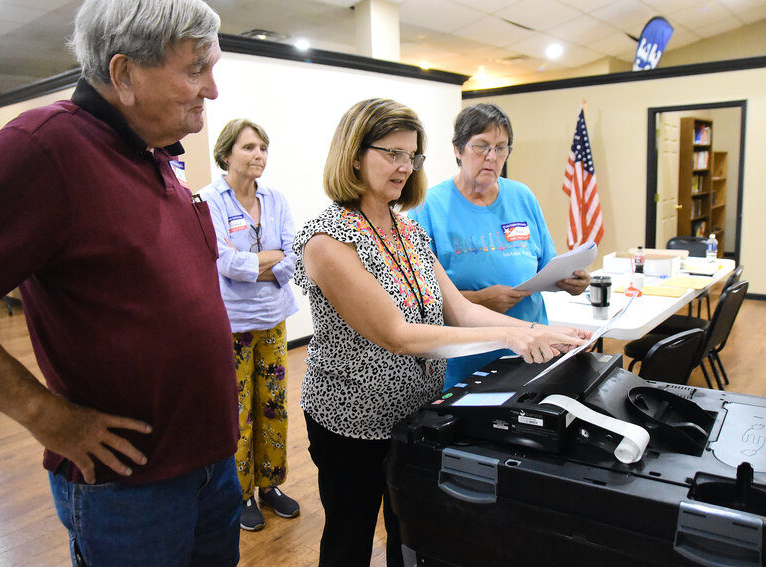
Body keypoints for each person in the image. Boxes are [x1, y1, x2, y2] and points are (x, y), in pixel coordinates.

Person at [0, 1, 242, 565]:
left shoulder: (150, 153)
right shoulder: (44, 147)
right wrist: (45, 416)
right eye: (196, 69)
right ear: (124, 74)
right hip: (129, 488)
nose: (213, 90)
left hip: (209, 465)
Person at [292, 98, 592, 567]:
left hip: (417, 410)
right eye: (391, 153)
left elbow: (462, 312)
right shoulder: (328, 238)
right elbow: (397, 334)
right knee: (349, 538)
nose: (404, 167)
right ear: (354, 154)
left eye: (411, 156)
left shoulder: (407, 229)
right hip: (352, 421)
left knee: (409, 527)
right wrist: (514, 338)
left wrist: (540, 331)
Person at [409, 103, 591, 389]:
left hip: (532, 354)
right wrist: (481, 299)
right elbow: (420, 301)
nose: (492, 157)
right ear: (458, 149)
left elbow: (546, 267)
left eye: (501, 147)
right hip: (466, 362)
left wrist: (570, 279)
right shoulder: (427, 208)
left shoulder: (522, 196)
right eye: (481, 147)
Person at [198, 119, 300, 531]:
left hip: (272, 319)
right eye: (249, 148)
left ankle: (270, 485)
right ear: (226, 154)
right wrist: (267, 260)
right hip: (232, 323)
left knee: (273, 405)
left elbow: (292, 257)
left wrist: (261, 264)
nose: (258, 155)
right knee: (238, 412)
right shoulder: (209, 201)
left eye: (263, 148)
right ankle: (239, 493)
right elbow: (224, 262)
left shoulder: (276, 199)